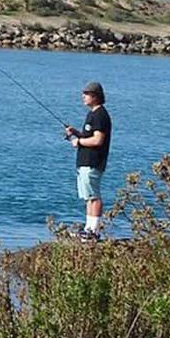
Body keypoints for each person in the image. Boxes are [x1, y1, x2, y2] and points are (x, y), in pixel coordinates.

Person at [64, 81, 112, 241]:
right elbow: (90, 136)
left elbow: (98, 140)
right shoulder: (93, 114)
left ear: (95, 96)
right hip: (85, 162)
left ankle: (94, 232)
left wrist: (78, 141)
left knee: (94, 196)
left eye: (87, 94)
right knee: (88, 197)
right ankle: (88, 229)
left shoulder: (100, 115)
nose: (83, 96)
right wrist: (76, 133)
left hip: (92, 161)